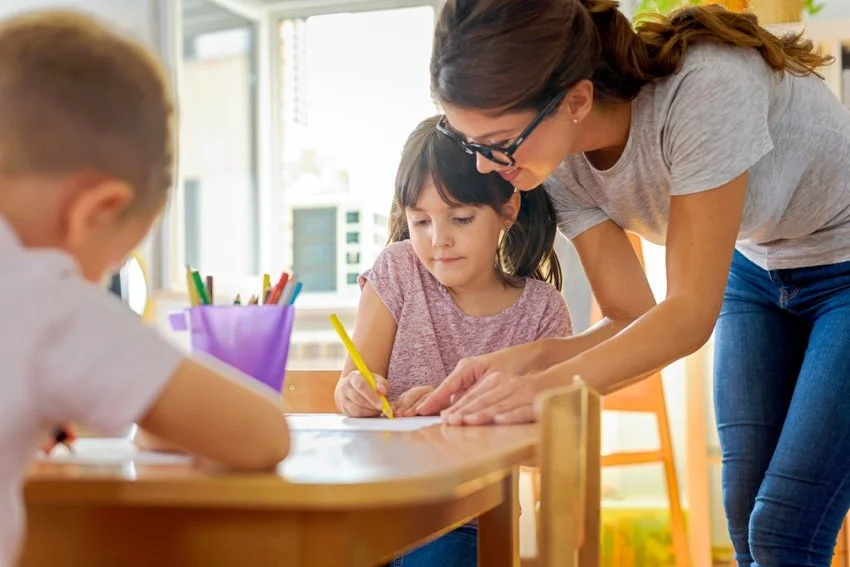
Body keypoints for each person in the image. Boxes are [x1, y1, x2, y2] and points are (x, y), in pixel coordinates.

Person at [415, 1, 850, 565]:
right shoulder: (560, 161)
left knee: (782, 527)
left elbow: (688, 313)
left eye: (497, 142)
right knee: (745, 516)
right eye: (473, 143)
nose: (483, 167)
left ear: (575, 99)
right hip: (758, 266)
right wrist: (527, 362)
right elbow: (633, 315)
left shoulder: (707, 87)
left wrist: (546, 388)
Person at [0, 11, 290, 565]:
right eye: (110, 264)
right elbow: (262, 435)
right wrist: (167, 415)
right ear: (95, 211)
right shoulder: (48, 297)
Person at [335, 115, 571, 566]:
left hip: (469, 516)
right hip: (373, 506)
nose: (438, 240)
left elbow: (549, 451)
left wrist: (464, 414)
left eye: (460, 218)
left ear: (507, 209)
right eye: (420, 221)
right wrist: (356, 395)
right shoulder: (398, 270)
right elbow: (352, 390)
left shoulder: (541, 312)